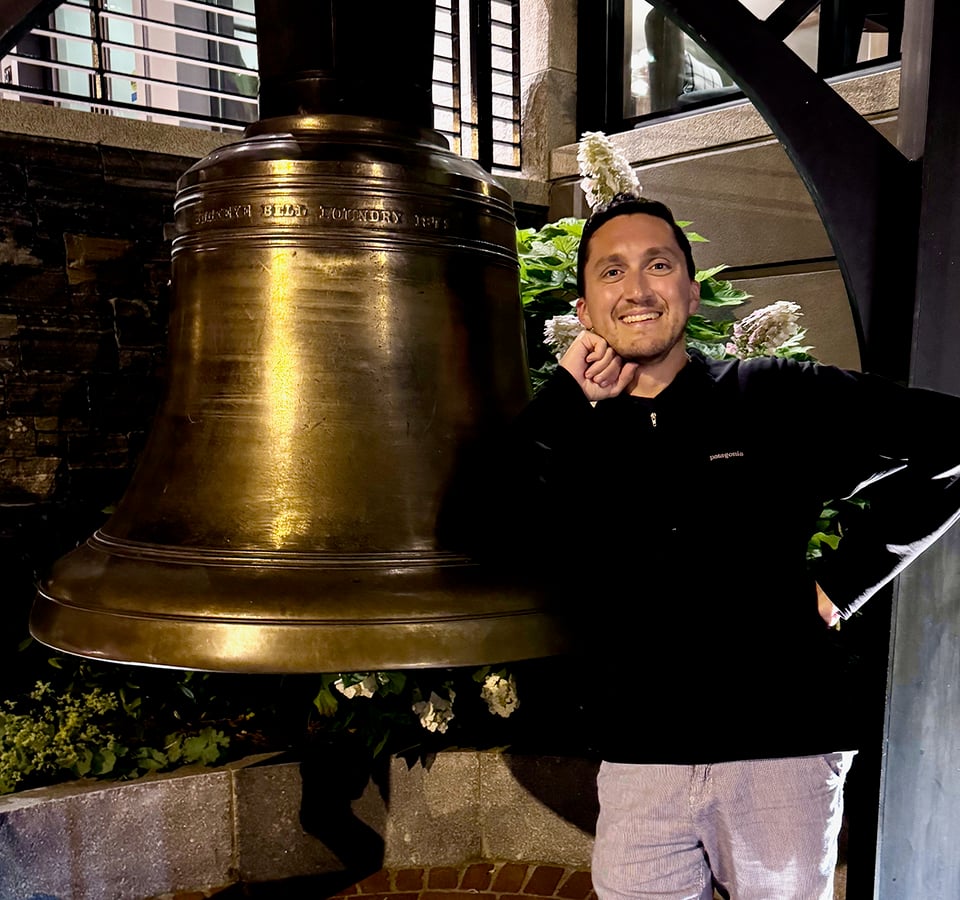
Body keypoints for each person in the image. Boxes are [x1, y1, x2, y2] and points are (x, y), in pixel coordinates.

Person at [453, 193, 960, 900]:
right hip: (640, 759)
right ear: (585, 307)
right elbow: (476, 526)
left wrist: (846, 580)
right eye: (612, 272)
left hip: (780, 748)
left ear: (689, 291)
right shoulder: (573, 435)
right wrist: (565, 394)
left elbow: (950, 443)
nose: (636, 289)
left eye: (658, 265)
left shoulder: (776, 394)